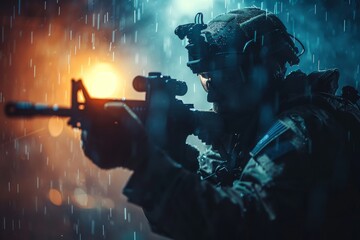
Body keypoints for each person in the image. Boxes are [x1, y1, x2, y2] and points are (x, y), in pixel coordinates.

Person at [81, 7, 360, 239]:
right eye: (206, 79)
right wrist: (174, 155)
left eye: (222, 76)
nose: (212, 92)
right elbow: (193, 220)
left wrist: (145, 161)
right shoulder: (242, 136)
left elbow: (243, 225)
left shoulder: (300, 129)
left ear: (261, 71)